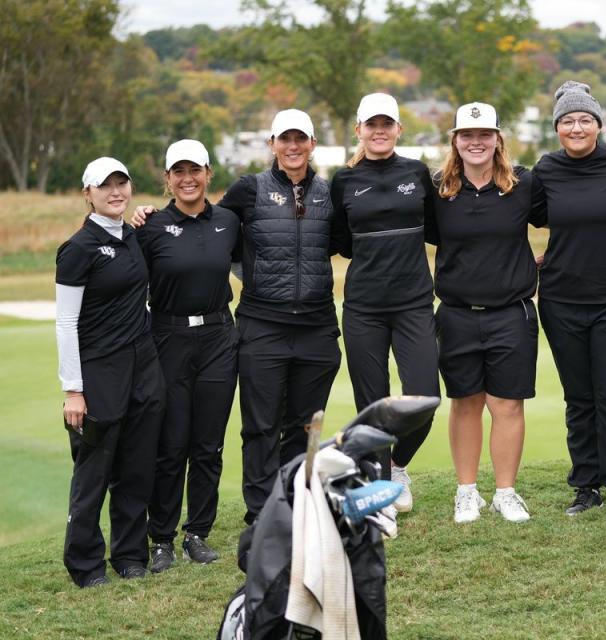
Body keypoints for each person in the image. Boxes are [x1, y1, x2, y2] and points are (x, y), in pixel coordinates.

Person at [133, 109, 342, 526]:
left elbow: (343, 242)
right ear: (272, 145)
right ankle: (262, 514)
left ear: (313, 144)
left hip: (317, 324)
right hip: (262, 324)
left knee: (305, 427)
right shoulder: (249, 190)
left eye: (301, 139)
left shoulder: (330, 192)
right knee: (261, 426)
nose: (293, 146)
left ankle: (296, 505)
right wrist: (148, 216)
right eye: (285, 139)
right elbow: (201, 226)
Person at [532, 81, 606, 522]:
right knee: (579, 397)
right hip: (562, 299)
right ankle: (586, 485)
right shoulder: (546, 169)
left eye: (585, 119)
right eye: (568, 121)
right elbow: (515, 213)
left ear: (599, 125)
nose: (577, 127)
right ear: (557, 129)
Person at [427, 102, 542, 524]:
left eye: (484, 134)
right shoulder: (438, 189)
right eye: (467, 135)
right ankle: (467, 492)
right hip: (456, 312)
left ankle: (506, 492)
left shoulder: (523, 184)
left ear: (498, 139)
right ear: (456, 141)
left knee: (507, 404)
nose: (476, 142)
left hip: (511, 312)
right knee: (465, 402)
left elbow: (569, 217)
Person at [56, 157, 166, 587]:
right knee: (94, 470)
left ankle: (129, 555)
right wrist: (73, 390)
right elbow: (65, 322)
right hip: (99, 371)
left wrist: (148, 218)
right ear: (88, 193)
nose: (116, 192)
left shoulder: (133, 237)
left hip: (143, 366)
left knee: (137, 466)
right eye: (105, 186)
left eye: (122, 184)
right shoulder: (78, 248)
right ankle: (84, 564)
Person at [330, 93, 439, 514]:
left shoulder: (416, 173)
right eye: (370, 124)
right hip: (363, 307)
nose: (379, 131)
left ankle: (397, 466)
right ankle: (378, 488)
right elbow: (339, 242)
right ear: (358, 130)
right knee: (371, 403)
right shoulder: (343, 180)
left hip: (413, 302)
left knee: (424, 396)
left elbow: (442, 232)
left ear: (398, 129)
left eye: (386, 124)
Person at [137, 140, 241, 572]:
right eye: (178, 171)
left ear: (208, 173)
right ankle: (161, 538)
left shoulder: (229, 221)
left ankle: (197, 532)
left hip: (219, 335)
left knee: (208, 444)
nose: (187, 178)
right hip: (168, 338)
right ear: (167, 179)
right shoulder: (150, 228)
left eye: (194, 169)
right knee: (171, 443)